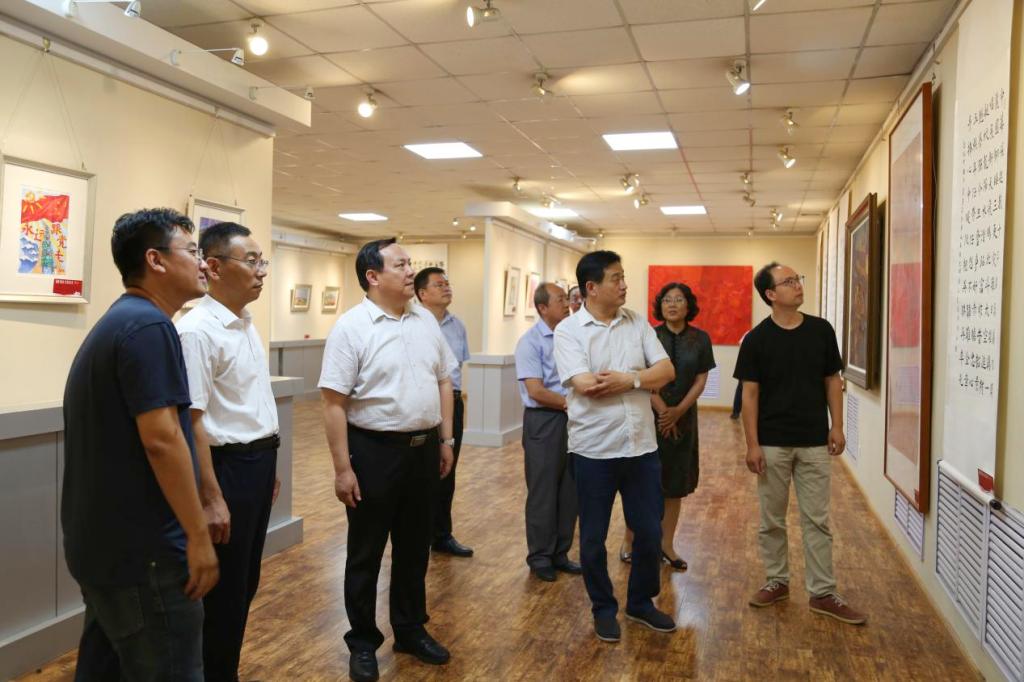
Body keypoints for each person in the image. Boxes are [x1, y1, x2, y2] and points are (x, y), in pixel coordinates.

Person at [62, 208, 218, 681]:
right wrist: (197, 537)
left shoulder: (121, 321)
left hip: (106, 548)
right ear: (156, 260)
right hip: (145, 557)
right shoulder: (149, 327)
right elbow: (162, 440)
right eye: (192, 251)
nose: (203, 263)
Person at [319, 238, 458, 682]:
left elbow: (443, 380)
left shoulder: (425, 320)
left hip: (423, 449)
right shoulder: (352, 328)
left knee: (415, 547)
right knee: (366, 552)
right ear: (373, 276)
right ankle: (362, 642)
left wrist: (446, 439)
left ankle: (410, 629)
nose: (410, 271)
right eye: (400, 265)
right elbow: (333, 403)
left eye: (410, 263)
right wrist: (343, 469)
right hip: (373, 452)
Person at [553, 250, 677, 643]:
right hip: (594, 451)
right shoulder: (569, 331)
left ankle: (640, 603)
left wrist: (630, 380)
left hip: (641, 448)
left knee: (649, 532)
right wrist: (640, 377)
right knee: (592, 539)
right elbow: (586, 384)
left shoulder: (637, 322)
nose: (624, 285)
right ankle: (603, 609)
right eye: (616, 278)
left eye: (624, 277)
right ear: (591, 287)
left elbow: (667, 371)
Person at [735, 262, 866, 625]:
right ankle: (777, 581)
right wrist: (752, 444)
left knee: (817, 520)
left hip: (813, 441)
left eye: (798, 279)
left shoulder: (821, 330)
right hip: (772, 443)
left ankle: (822, 592)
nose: (797, 285)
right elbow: (749, 395)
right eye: (789, 281)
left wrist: (838, 426)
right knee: (771, 520)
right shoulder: (757, 339)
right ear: (770, 294)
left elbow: (832, 380)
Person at [176, 222, 280, 681]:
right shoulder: (198, 331)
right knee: (223, 593)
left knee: (244, 584)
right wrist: (212, 496)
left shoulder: (245, 324)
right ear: (214, 268)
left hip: (256, 464)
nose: (261, 271)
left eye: (262, 261)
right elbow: (192, 420)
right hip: (226, 470)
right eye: (251, 261)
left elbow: (248, 405)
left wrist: (268, 464)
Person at [622, 282, 714, 571]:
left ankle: (667, 544)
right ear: (659, 306)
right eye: (667, 300)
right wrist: (663, 410)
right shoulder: (648, 335)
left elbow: (701, 379)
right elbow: (640, 376)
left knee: (675, 484)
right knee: (641, 483)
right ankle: (630, 541)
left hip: (684, 418)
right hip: (648, 415)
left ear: (689, 305)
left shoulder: (700, 339)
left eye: (678, 299)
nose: (672, 304)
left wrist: (678, 411)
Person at [514, 282, 580, 582]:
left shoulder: (571, 336)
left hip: (573, 418)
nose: (567, 304)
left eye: (567, 298)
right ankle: (540, 556)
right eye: (560, 299)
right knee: (543, 491)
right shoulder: (530, 342)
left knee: (570, 490)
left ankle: (560, 553)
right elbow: (536, 391)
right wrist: (572, 404)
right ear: (542, 308)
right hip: (545, 420)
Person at [414, 266, 473, 558]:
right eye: (439, 284)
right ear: (422, 293)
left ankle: (441, 534)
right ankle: (418, 534)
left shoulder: (457, 325)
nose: (446, 287)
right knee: (420, 474)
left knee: (447, 470)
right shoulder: (413, 324)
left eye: (447, 283)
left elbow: (456, 369)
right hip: (424, 404)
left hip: (453, 402)